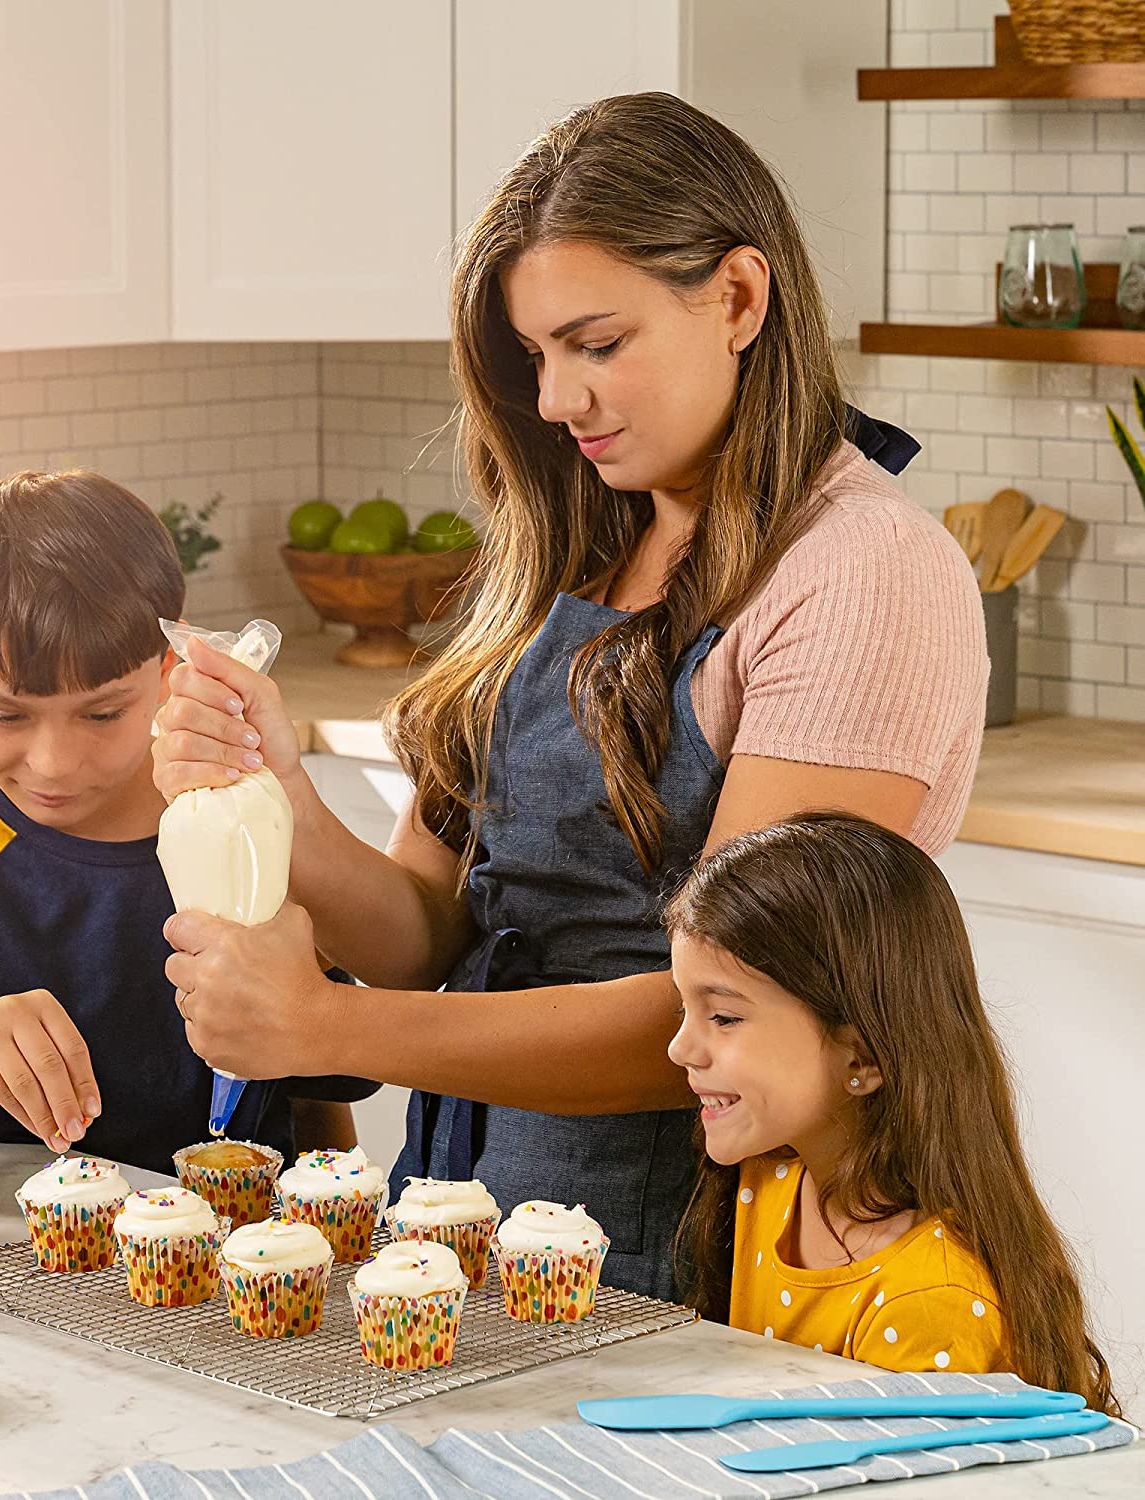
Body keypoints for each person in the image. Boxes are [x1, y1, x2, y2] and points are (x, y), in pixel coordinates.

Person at [154, 92, 987, 1298]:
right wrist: (273, 792)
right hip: (462, 1220)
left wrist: (323, 1031)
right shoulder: (575, 546)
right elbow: (428, 932)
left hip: (698, 1256)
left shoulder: (863, 572)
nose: (554, 401)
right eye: (537, 355)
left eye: (597, 344)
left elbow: (749, 1022)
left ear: (741, 299)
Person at [0, 468, 369, 1172]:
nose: (53, 763)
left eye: (103, 712)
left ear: (172, 664)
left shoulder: (247, 816)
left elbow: (318, 1099)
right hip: (9, 1244)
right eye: (4, 714)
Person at [665, 812, 1119, 1413]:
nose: (680, 1049)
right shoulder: (770, 1182)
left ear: (863, 1054)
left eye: (723, 1018)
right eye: (684, 1010)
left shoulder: (929, 1299)